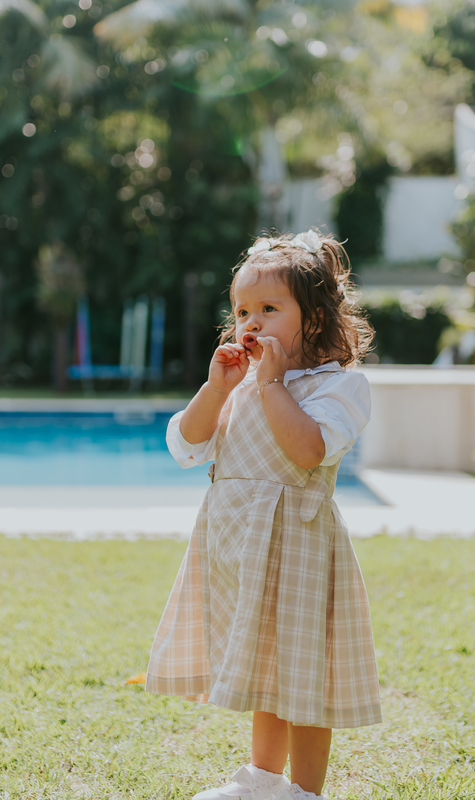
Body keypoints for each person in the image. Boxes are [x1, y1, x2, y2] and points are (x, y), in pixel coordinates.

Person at [147, 229, 381, 800]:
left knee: (303, 674)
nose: (250, 324)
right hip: (238, 548)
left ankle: (303, 791)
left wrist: (272, 384)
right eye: (241, 311)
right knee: (263, 665)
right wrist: (215, 387)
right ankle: (262, 779)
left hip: (298, 549)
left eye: (269, 310)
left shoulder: (337, 387)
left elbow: (307, 451)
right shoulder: (238, 385)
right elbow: (186, 445)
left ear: (317, 320)